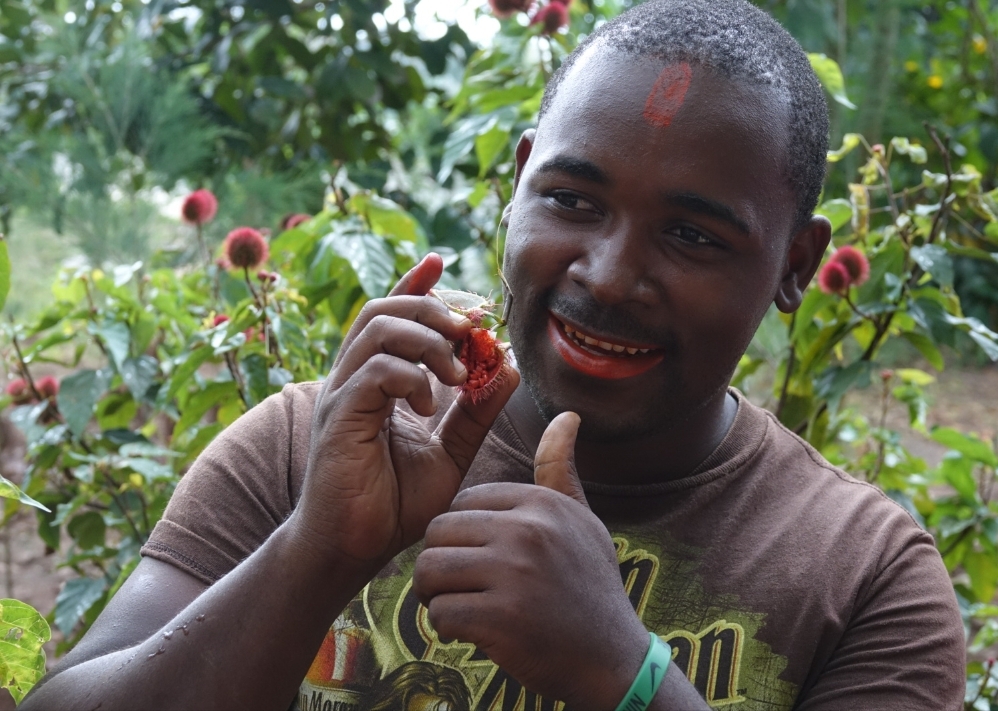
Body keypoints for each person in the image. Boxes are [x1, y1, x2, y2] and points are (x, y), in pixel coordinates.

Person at [22, 1, 965, 709]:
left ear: (797, 264)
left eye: (692, 236)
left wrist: (629, 676)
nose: (607, 273)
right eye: (572, 199)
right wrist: (315, 549)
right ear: (515, 187)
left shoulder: (864, 574)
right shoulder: (304, 448)